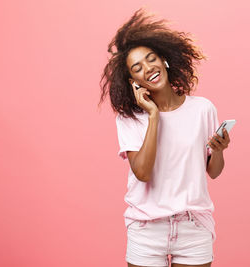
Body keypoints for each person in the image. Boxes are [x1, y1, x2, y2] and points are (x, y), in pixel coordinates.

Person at [99, 8, 231, 267]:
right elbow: (143, 173)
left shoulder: (203, 108)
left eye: (151, 59)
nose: (148, 68)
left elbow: (212, 172)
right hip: (147, 228)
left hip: (193, 226)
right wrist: (153, 116)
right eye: (138, 68)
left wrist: (219, 150)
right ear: (133, 81)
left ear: (164, 60)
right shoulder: (130, 119)